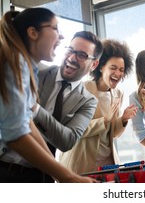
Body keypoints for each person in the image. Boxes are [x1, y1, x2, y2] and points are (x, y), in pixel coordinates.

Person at [0, 8, 96, 183]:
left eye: (81, 55)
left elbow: (28, 123)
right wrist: (67, 176)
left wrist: (59, 173)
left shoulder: (27, 68)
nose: (60, 37)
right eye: (55, 28)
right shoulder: (14, 65)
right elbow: (16, 135)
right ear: (33, 33)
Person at [59, 39, 138, 173]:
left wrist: (123, 120)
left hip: (108, 165)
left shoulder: (118, 94)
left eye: (121, 70)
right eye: (113, 68)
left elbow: (111, 134)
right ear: (100, 66)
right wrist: (104, 120)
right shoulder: (81, 89)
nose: (118, 73)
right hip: (81, 164)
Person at [34, 30, 103, 181]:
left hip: (39, 175)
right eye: (70, 50)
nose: (72, 58)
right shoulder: (37, 71)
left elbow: (67, 141)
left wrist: (36, 109)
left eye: (82, 55)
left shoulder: (88, 101)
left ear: (94, 64)